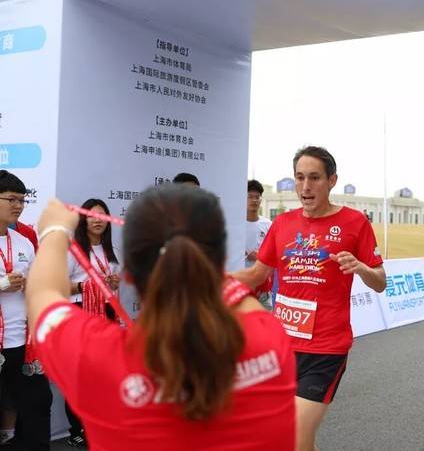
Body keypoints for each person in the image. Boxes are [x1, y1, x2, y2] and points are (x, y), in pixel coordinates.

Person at [25, 185, 297, 450]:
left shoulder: (101, 357)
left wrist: (54, 231)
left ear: (129, 275)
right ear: (221, 259)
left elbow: (42, 295)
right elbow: (237, 297)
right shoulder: (269, 336)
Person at [233, 146, 386, 451]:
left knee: (292, 437)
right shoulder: (282, 224)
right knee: (297, 439)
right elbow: (256, 275)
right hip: (283, 348)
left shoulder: (355, 222)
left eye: (314, 178)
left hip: (325, 350)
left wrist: (361, 267)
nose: (305, 187)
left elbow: (380, 282)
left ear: (332, 180)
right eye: (300, 177)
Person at [0, 170, 52, 450]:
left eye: (22, 200)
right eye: (11, 199)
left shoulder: (24, 242)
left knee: (37, 404)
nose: (18, 205)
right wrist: (2, 284)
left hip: (22, 343)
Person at [64, 198, 121, 447]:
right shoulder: (73, 249)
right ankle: (77, 428)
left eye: (102, 215)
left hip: (107, 313)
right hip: (81, 312)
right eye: (91, 215)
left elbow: (112, 284)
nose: (97, 220)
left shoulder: (111, 250)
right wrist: (85, 286)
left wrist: (114, 283)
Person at [244, 180, 273, 307]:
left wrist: (261, 255)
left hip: (263, 286)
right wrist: (245, 255)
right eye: (250, 196)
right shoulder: (235, 224)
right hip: (241, 283)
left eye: (257, 197)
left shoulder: (268, 224)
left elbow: (274, 251)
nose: (254, 200)